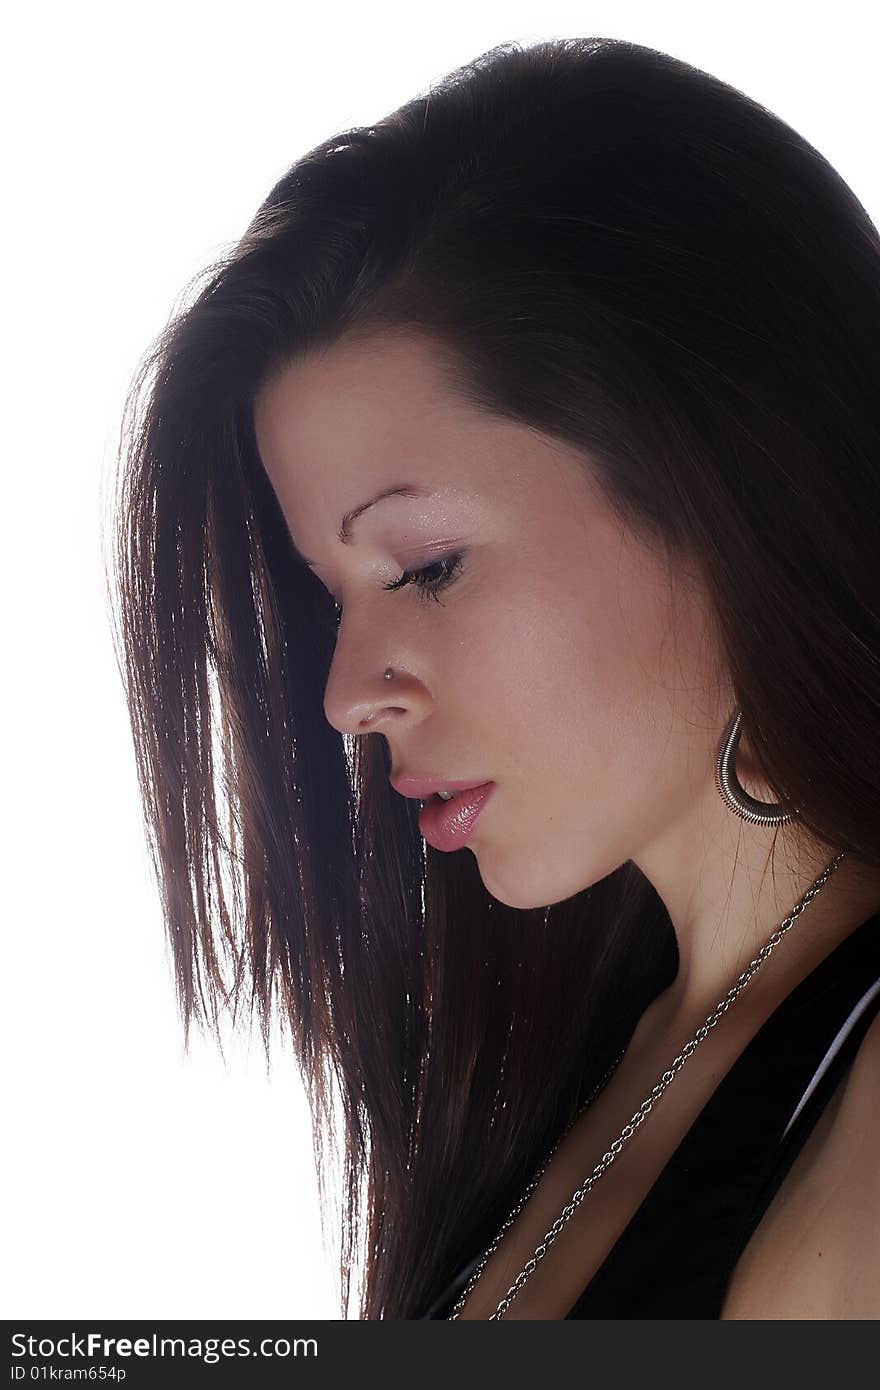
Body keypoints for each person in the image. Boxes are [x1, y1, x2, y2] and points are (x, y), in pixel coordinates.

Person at [105, 36, 880, 1319]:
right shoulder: (588, 1058)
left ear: (725, 484)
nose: (348, 697)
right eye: (327, 597)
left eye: (425, 563)